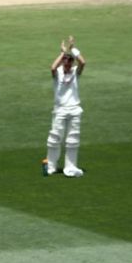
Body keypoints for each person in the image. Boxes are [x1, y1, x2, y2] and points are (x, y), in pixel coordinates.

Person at [46, 37, 86, 177]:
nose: (67, 64)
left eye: (70, 61)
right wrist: (63, 53)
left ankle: (70, 167)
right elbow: (52, 67)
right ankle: (51, 166)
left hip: (74, 109)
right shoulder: (58, 73)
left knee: (72, 139)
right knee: (55, 138)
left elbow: (83, 62)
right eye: (65, 61)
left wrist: (73, 48)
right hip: (60, 109)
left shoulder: (75, 72)